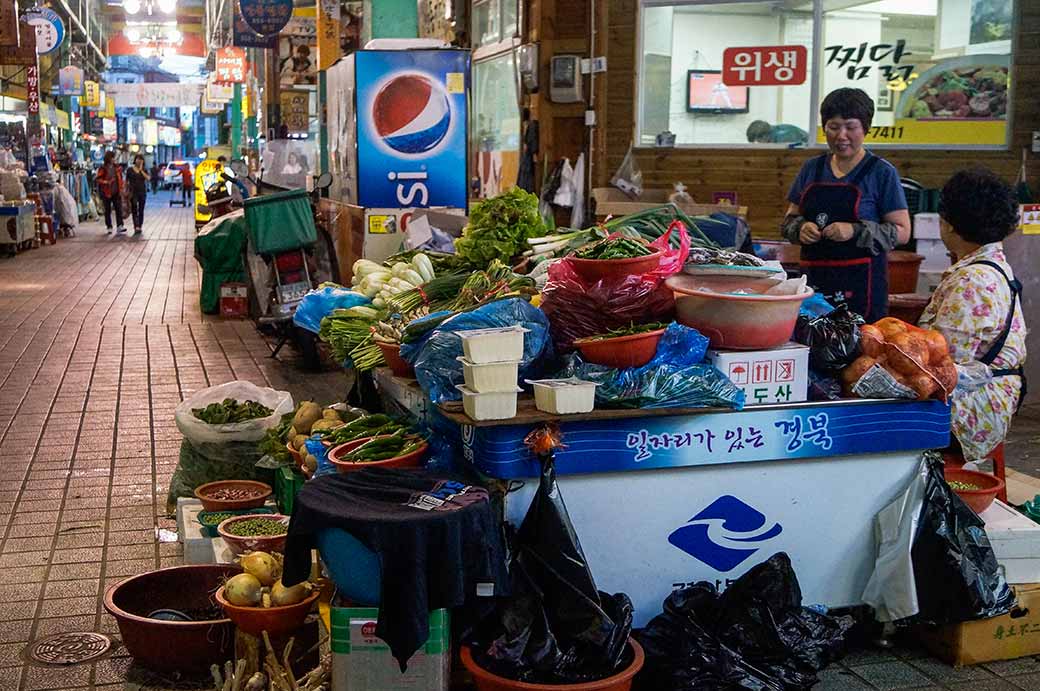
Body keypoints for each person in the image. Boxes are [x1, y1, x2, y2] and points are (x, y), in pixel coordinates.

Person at [918, 168, 1026, 462]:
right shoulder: (993, 264)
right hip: (991, 398)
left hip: (973, 409)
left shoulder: (972, 280)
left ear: (949, 225)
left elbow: (941, 364)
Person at [780, 88, 911, 322]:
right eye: (833, 126)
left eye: (850, 127)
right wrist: (800, 228)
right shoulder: (812, 169)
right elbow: (789, 220)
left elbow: (902, 232)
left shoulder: (881, 172)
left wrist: (855, 231)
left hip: (863, 289)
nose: (841, 135)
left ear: (865, 128)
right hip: (814, 286)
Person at [96, 151, 126, 235]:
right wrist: (106, 182)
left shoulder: (117, 167)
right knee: (107, 210)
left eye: (114, 157)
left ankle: (120, 225)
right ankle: (109, 226)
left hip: (116, 191)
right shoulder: (103, 168)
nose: (113, 159)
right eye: (112, 157)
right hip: (107, 192)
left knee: (118, 209)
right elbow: (98, 179)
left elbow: (120, 178)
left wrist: (121, 188)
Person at [126, 154, 148, 237]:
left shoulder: (144, 170)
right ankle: (136, 226)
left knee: (141, 209)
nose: (139, 161)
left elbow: (148, 178)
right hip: (133, 192)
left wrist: (141, 170)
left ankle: (140, 225)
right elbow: (126, 181)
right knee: (134, 208)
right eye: (138, 159)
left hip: (142, 192)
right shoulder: (130, 170)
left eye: (141, 159)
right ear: (135, 160)